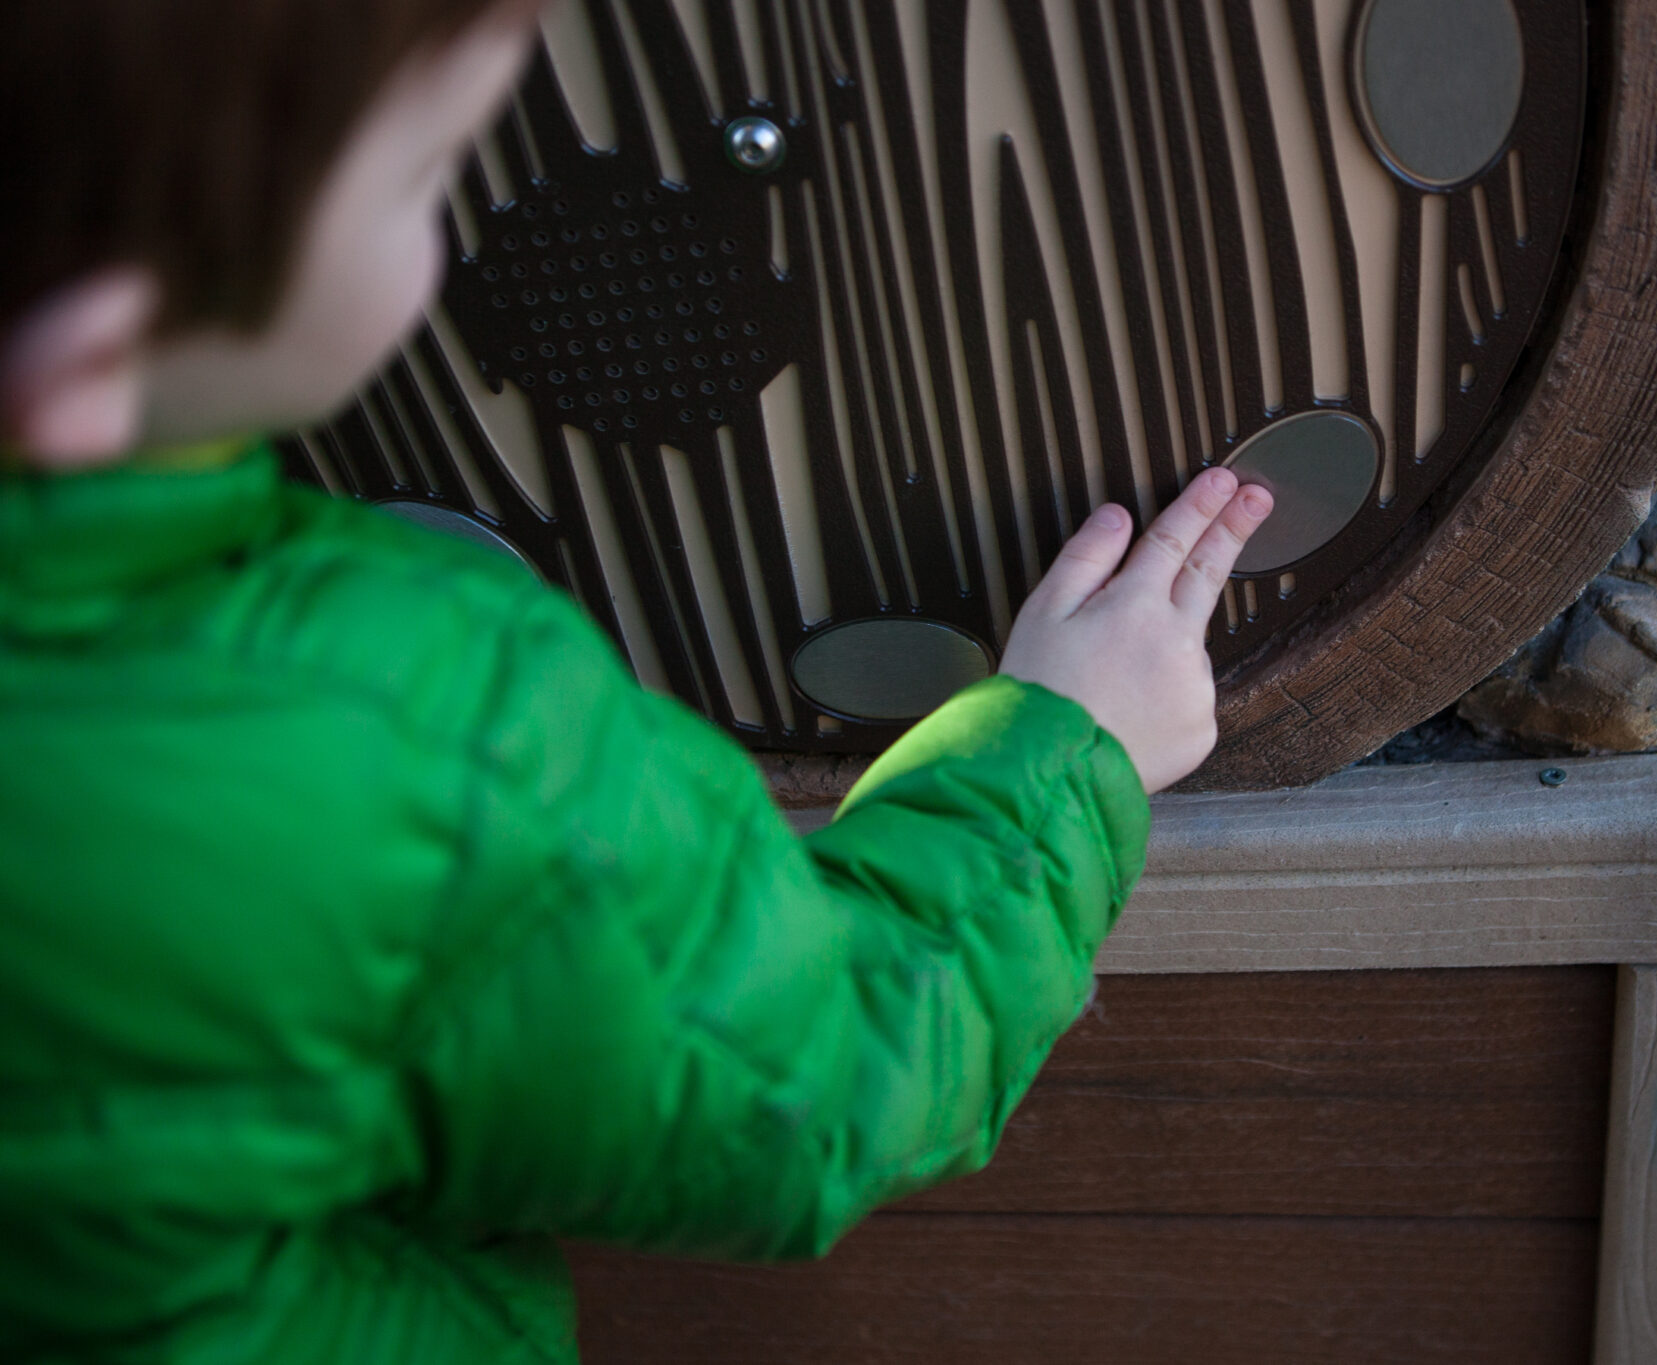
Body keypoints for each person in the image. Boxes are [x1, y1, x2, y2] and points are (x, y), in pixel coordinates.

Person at [0, 2, 1273, 1361]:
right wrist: (1062, 750)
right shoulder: (414, 742)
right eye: (429, 173)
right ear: (89, 364)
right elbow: (821, 1070)